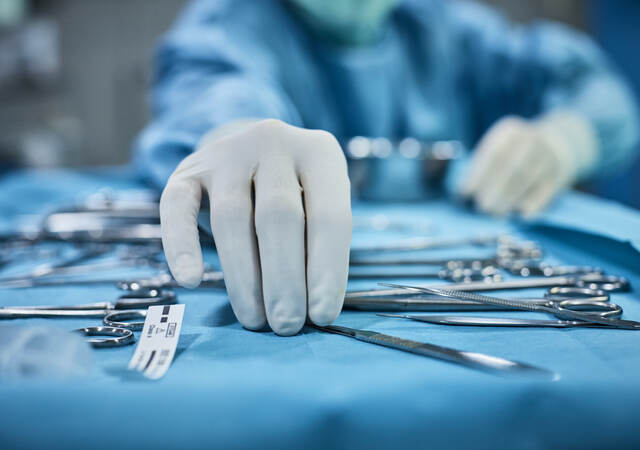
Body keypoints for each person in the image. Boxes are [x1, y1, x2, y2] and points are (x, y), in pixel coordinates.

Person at [134, 0, 640, 336]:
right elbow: (214, 90)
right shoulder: (231, 27)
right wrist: (235, 135)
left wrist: (568, 136)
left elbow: (597, 90)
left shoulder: (439, 24)